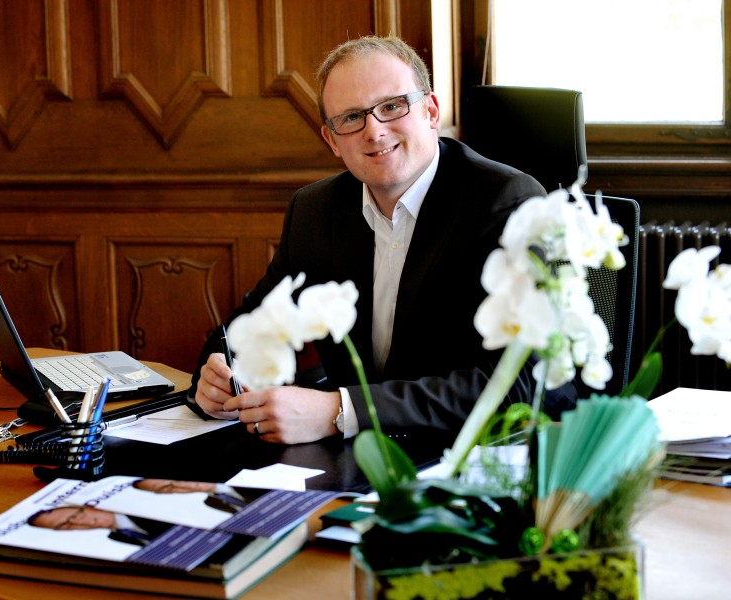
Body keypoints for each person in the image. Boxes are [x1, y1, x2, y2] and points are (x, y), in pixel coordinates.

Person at [188, 34, 577, 445]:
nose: (374, 131)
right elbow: (249, 328)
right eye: (352, 118)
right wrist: (217, 375)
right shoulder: (315, 211)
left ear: (430, 111)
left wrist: (340, 410)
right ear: (332, 140)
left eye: (392, 107)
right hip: (358, 459)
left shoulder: (508, 202)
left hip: (477, 454)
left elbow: (525, 384)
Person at [27, 505, 173, 546]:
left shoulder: (146, 510)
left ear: (91, 507)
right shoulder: (116, 538)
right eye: (65, 525)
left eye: (74, 516)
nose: (78, 523)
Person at [131, 478, 252, 514]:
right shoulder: (209, 506)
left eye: (172, 480)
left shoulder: (249, 480)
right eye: (167, 488)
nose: (181, 484)